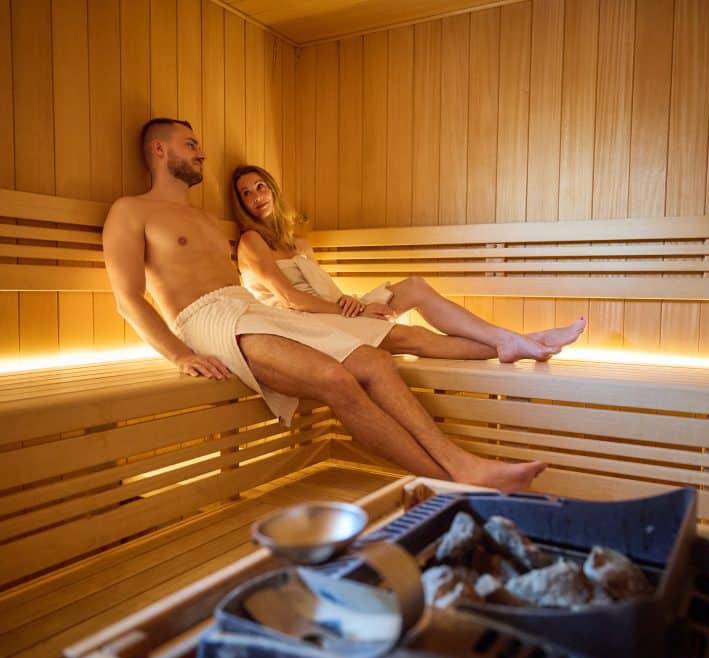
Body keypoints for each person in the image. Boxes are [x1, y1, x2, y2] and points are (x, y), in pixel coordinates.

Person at [102, 117, 546, 491]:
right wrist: (179, 355)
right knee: (336, 379)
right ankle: (450, 483)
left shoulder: (204, 220)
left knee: (375, 362)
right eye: (190, 144)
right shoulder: (131, 210)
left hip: (248, 310)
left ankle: (461, 463)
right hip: (206, 320)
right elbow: (128, 298)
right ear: (159, 149)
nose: (201, 153)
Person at [231, 164, 586, 363]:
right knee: (414, 337)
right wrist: (351, 311)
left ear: (273, 189)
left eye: (260, 187)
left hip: (334, 312)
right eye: (246, 193)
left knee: (415, 286)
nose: (255, 197)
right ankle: (525, 341)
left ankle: (515, 341)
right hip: (303, 326)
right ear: (241, 204)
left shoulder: (298, 243)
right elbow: (291, 299)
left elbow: (324, 292)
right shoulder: (251, 241)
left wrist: (351, 303)